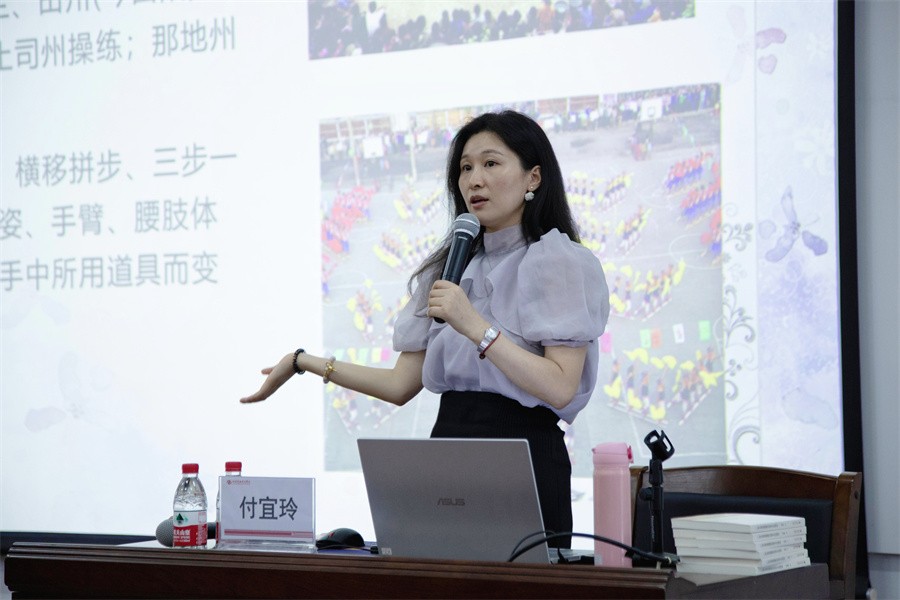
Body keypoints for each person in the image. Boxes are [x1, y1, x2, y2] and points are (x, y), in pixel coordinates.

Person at [240, 110, 610, 548]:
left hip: (524, 457)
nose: (474, 180)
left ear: (533, 177)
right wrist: (304, 362)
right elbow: (400, 385)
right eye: (465, 168)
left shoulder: (558, 261)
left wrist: (475, 326)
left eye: (491, 163)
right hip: (446, 454)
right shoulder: (449, 268)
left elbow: (561, 386)